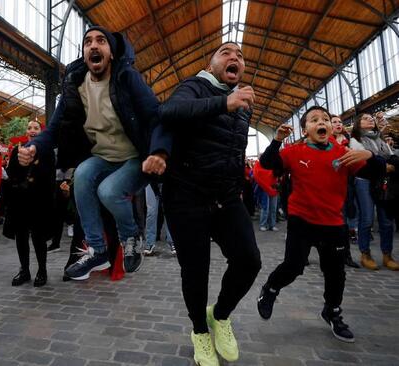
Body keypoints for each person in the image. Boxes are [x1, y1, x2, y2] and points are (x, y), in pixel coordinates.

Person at [18, 26, 170, 281]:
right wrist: (35, 147)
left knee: (108, 191)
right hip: (102, 157)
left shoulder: (126, 77)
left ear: (111, 53)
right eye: (88, 41)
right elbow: (53, 128)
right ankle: (98, 250)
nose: (93, 45)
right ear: (84, 53)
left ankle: (131, 237)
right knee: (84, 174)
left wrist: (159, 152)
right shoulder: (74, 85)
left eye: (101, 41)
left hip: (135, 157)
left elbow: (156, 115)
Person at [154, 41, 260, 365]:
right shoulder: (195, 86)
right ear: (211, 63)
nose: (235, 57)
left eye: (240, 55)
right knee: (196, 271)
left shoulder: (244, 104)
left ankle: (220, 315)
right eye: (226, 52)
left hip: (226, 197)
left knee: (249, 260)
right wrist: (223, 102)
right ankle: (200, 331)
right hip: (186, 195)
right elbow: (168, 112)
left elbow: (234, 152)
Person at [256, 106, 386, 343]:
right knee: (293, 266)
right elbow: (266, 164)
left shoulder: (343, 152)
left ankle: (332, 311)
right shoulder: (293, 152)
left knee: (335, 272)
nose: (321, 122)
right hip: (301, 220)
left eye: (325, 119)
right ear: (305, 130)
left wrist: (369, 155)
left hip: (333, 223)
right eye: (314, 120)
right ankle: (270, 289)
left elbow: (376, 171)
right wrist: (276, 141)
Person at [3, 120, 54, 287]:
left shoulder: (46, 150)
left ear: (41, 132)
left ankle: (42, 270)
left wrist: (35, 163)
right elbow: (11, 173)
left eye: (36, 128)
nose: (32, 130)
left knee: (38, 237)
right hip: (20, 199)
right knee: (21, 235)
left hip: (39, 199)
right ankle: (24, 270)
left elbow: (50, 175)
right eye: (30, 128)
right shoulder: (18, 149)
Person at [350, 113, 399, 270]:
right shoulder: (355, 140)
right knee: (367, 218)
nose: (370, 119)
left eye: (371, 118)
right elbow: (363, 164)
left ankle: (387, 255)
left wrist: (387, 164)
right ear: (358, 124)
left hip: (383, 181)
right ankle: (365, 254)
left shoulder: (380, 139)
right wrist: (383, 166)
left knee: (386, 220)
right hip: (364, 181)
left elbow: (391, 158)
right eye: (365, 118)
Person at [331, 115, 360, 268]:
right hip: (330, 185)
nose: (338, 124)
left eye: (340, 122)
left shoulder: (350, 141)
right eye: (334, 122)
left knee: (345, 220)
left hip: (348, 184)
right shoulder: (326, 141)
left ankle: (346, 255)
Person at [143, 183, 175, 256]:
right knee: (151, 212)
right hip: (150, 178)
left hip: (166, 178)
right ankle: (149, 243)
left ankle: (173, 242)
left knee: (168, 210)